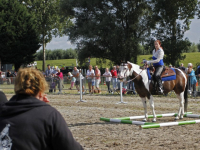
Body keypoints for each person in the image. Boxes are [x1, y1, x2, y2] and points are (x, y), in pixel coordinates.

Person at [0, 68, 83, 150]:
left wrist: (39, 105)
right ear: (41, 88)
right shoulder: (50, 115)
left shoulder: (3, 112)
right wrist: (42, 109)